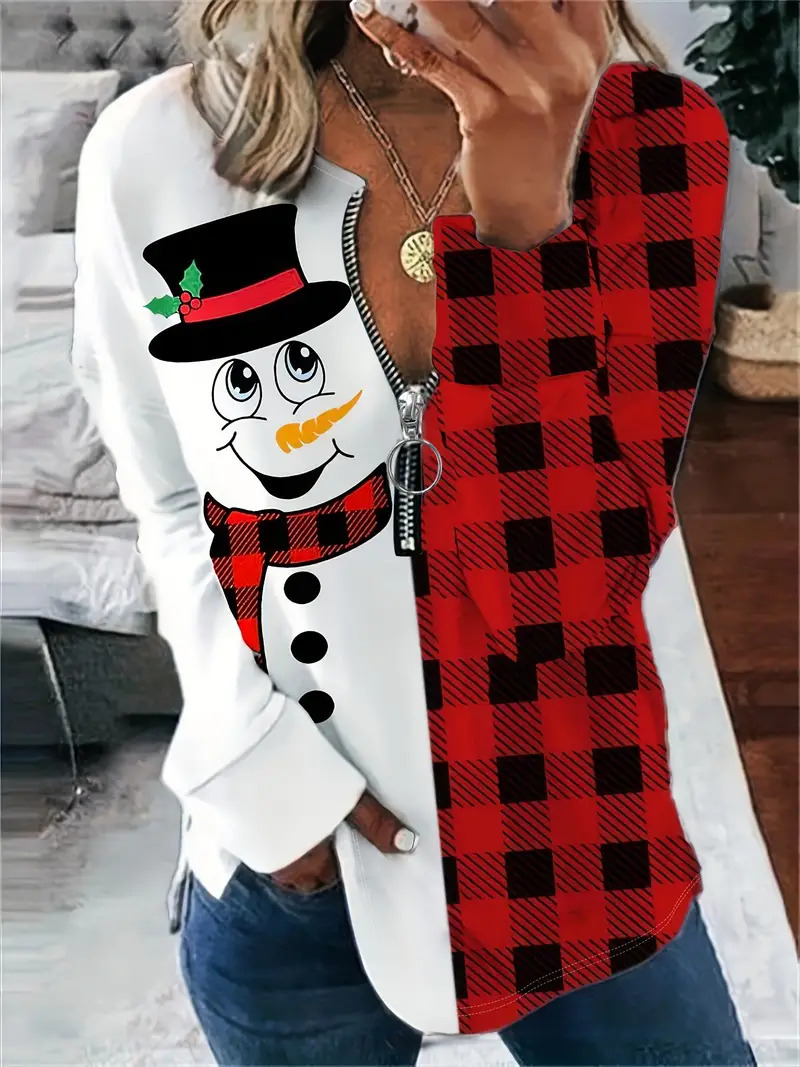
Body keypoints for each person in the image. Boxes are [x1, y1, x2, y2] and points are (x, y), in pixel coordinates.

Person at [70, 1, 754, 1064]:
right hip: (293, 867)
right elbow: (168, 500)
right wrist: (269, 786)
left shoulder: (651, 140)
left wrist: (522, 232)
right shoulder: (159, 148)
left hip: (572, 828)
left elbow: (561, 596)